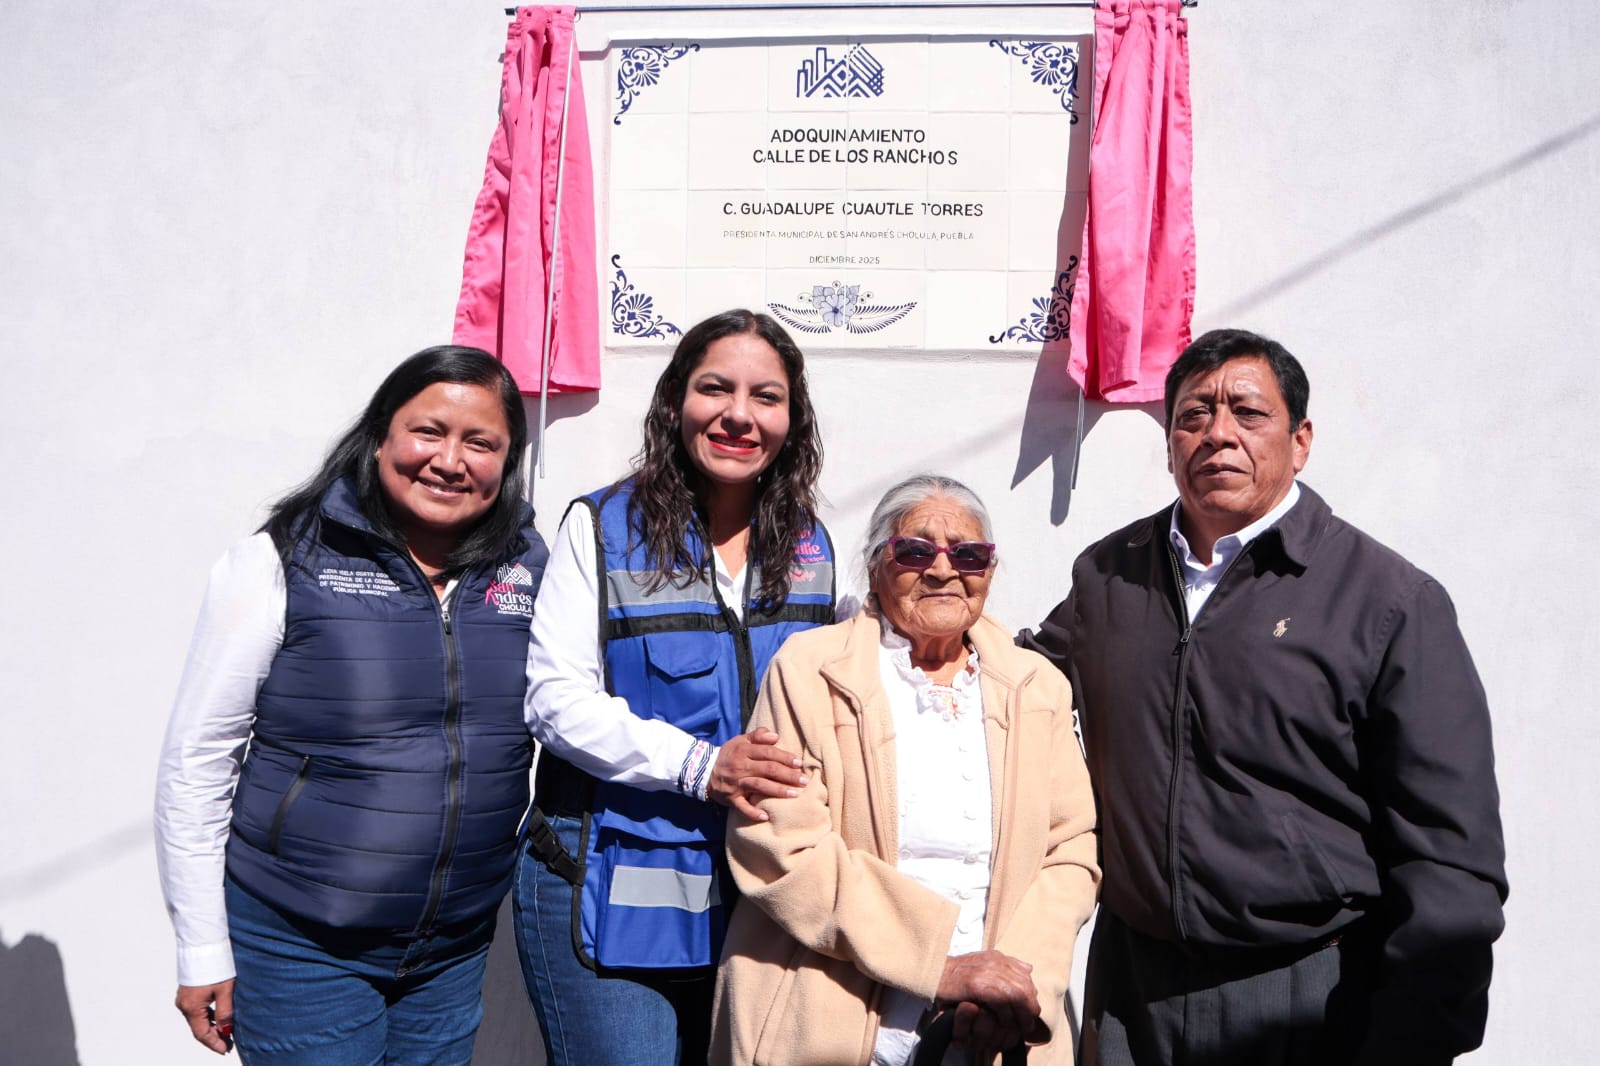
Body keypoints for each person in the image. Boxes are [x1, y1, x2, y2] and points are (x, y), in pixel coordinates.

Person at [1020, 328, 1508, 1066]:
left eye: (1247, 413)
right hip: (1130, 991)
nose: (1218, 433)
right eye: (1193, 415)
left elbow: (1450, 852)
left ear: (1300, 440)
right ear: (1169, 442)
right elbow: (1008, 693)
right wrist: (867, 656)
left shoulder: (1387, 601)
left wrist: (1416, 1032)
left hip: (1308, 992)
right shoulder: (1109, 576)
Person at [154, 346, 548, 1062]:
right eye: (428, 431)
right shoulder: (281, 561)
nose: (450, 460)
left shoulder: (527, 566)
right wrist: (201, 947)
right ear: (380, 435)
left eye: (480, 442)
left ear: (508, 458)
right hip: (303, 943)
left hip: (452, 951)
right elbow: (197, 758)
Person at [516, 309, 835, 1065]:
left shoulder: (811, 546)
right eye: (714, 389)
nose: (739, 415)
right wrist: (702, 766)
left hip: (755, 900)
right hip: (610, 884)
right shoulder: (600, 527)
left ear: (792, 419)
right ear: (674, 403)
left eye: (766, 396)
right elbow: (554, 699)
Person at [712, 474, 1101, 1066]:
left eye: (968, 553)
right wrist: (940, 969)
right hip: (829, 1013)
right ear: (875, 567)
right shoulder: (810, 671)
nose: (944, 569)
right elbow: (781, 846)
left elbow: (1069, 850)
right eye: (915, 550)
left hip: (990, 1029)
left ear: (989, 573)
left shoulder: (1037, 687)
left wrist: (1011, 986)